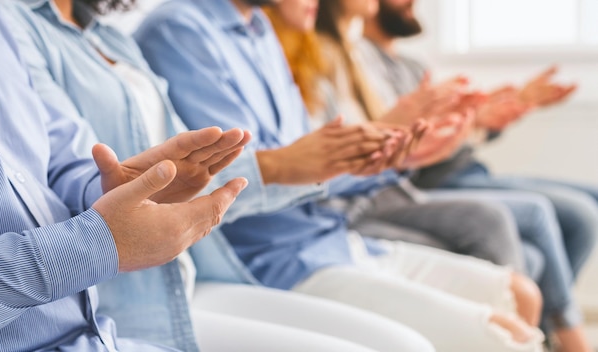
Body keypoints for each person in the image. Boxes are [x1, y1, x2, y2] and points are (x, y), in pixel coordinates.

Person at [5, 0, 434, 351]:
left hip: (192, 270)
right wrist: (282, 165)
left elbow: (189, 161)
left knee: (405, 343)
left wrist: (357, 158)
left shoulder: (107, 35)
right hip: (129, 294)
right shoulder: (16, 27)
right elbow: (69, 175)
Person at [134, 0, 546, 350]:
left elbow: (312, 169)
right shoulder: (178, 31)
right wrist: (371, 146)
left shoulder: (260, 31)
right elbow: (241, 179)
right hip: (277, 260)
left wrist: (395, 153)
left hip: (332, 238)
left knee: (522, 295)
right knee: (502, 335)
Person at [0, 0, 252, 350]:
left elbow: (56, 151)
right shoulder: (21, 19)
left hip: (96, 331)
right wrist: (98, 244)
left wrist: (109, 188)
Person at [360, 0, 596, 350]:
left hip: (462, 167)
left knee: (588, 201)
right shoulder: (360, 63)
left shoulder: (410, 65)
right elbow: (407, 147)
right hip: (434, 179)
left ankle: (546, 330)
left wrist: (485, 120)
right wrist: (470, 125)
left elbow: (436, 133)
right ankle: (565, 334)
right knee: (563, 212)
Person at [264, 0, 529, 272]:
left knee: (522, 244)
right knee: (496, 222)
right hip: (349, 205)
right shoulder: (311, 60)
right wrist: (394, 136)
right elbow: (318, 160)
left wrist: (445, 132)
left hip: (374, 192)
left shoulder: (348, 54)